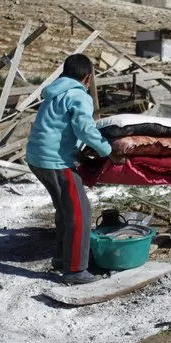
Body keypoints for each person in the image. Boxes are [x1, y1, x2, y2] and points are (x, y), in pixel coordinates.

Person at [26, 53, 124, 285]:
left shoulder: (55, 91)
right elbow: (84, 129)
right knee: (80, 213)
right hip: (55, 162)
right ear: (88, 77)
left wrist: (78, 150)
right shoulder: (79, 96)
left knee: (65, 209)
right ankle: (75, 269)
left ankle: (62, 258)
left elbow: (59, 126)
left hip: (37, 158)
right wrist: (107, 150)